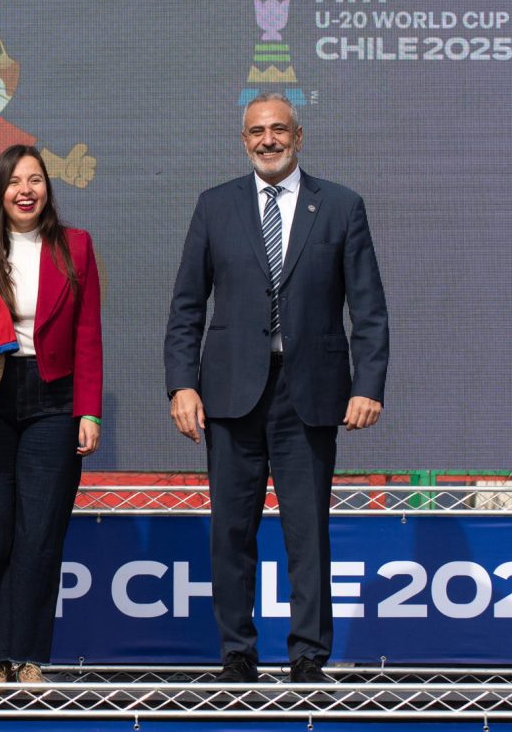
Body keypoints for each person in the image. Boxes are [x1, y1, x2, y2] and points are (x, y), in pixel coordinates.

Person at [163, 93, 388, 684]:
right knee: (230, 531)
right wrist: (181, 385)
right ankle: (237, 653)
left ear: (298, 136)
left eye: (279, 129)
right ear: (244, 140)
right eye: (257, 131)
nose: (268, 140)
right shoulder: (215, 205)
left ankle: (308, 655)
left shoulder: (340, 206)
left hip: (308, 392)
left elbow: (368, 309)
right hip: (230, 394)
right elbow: (187, 306)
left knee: (307, 532)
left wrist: (368, 385)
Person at [0, 144, 103, 684]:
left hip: (54, 398)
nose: (26, 190)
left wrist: (89, 412)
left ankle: (30, 656)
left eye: (35, 180)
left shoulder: (75, 245)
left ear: (47, 188)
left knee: (40, 532)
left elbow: (88, 333)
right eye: (15, 181)